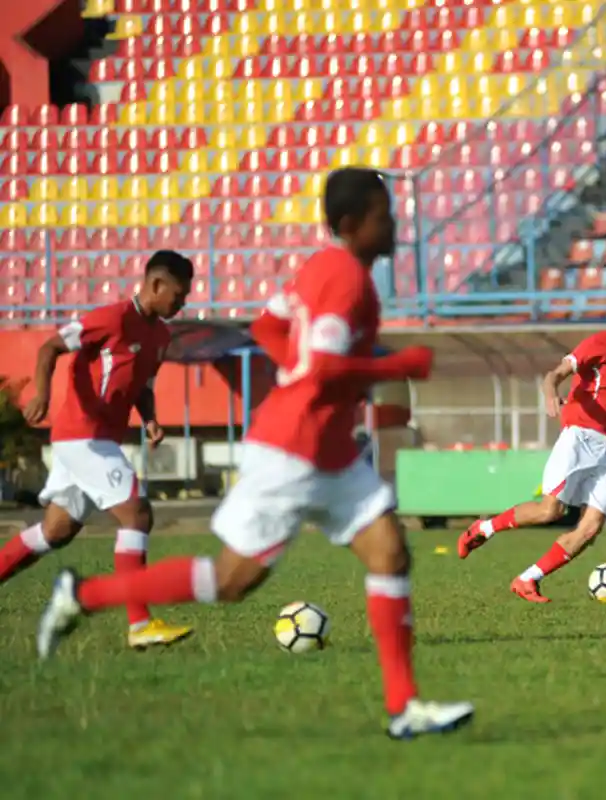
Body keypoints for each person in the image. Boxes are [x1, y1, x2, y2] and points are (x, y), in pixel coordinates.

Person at [35, 168, 475, 740]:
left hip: (332, 450)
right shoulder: (346, 282)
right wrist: (399, 366)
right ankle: (84, 596)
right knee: (230, 582)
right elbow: (323, 368)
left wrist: (295, 371)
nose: (393, 224)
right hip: (293, 452)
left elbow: (268, 326)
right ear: (350, 223)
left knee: (390, 554)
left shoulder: (321, 265)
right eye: (382, 215)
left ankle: (405, 708)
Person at [0, 251, 194, 649]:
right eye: (179, 294)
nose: (183, 302)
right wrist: (42, 392)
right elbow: (50, 348)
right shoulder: (111, 317)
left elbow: (141, 385)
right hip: (84, 436)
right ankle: (140, 624)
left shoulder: (160, 335)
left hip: (97, 440)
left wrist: (150, 417)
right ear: (156, 284)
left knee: (57, 531)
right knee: (137, 514)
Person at [456, 297, 606, 602]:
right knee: (549, 510)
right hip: (581, 437)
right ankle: (484, 528)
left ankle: (528, 579)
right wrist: (551, 393)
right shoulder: (598, 344)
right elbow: (555, 374)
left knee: (591, 529)